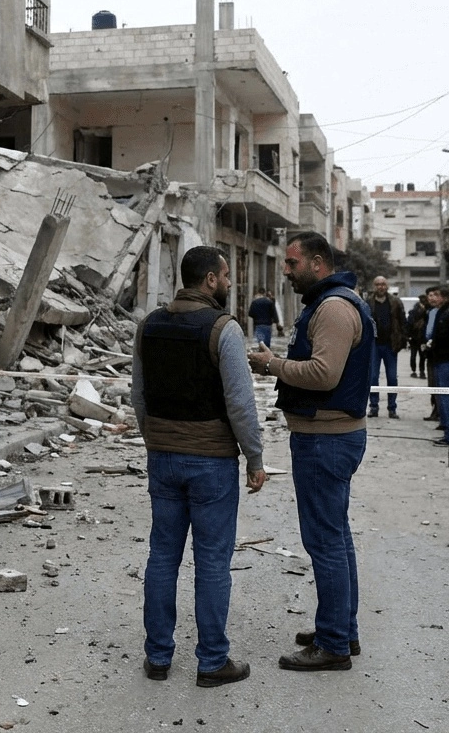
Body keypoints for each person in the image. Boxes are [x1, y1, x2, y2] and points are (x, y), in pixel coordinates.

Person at [132, 246, 267, 688]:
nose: (228, 283)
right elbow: (240, 403)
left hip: (163, 458)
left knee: (162, 556)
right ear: (210, 279)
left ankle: (158, 657)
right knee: (211, 561)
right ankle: (212, 662)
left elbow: (139, 396)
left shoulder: (149, 325)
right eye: (225, 276)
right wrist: (254, 457)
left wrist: (156, 440)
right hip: (211, 462)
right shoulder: (223, 328)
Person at [248, 232, 374, 673]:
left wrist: (272, 365)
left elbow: (324, 374)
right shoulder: (329, 303)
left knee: (325, 541)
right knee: (335, 537)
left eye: (292, 263)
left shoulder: (334, 308)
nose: (286, 270)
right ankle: (340, 630)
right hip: (328, 437)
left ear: (318, 263)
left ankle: (334, 644)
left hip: (326, 439)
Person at [364, 276, 407, 418]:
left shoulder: (395, 302)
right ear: (374, 286)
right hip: (374, 345)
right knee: (373, 378)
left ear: (387, 286)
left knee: (392, 378)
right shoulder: (367, 302)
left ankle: (392, 408)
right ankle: (373, 407)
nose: (380, 287)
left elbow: (402, 322)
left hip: (390, 345)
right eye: (378, 284)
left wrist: (402, 340)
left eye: (383, 284)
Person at [425, 285, 449, 445]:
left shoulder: (445, 314)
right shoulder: (439, 312)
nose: (433, 298)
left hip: (444, 359)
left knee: (444, 395)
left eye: (437, 295)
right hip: (439, 359)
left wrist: (432, 345)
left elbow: (443, 337)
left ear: (444, 297)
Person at [408, 293, 429, 380]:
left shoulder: (428, 311)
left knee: (422, 356)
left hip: (421, 337)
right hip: (415, 337)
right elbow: (409, 324)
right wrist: (408, 336)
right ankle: (415, 371)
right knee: (415, 356)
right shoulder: (415, 311)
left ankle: (421, 371)